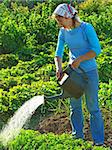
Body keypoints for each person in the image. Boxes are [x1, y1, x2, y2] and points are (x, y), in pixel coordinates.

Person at [52, 3, 104, 146]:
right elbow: (58, 53)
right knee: (74, 106)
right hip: (73, 74)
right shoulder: (63, 32)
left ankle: (99, 142)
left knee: (93, 107)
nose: (60, 23)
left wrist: (80, 59)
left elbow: (96, 50)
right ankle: (77, 138)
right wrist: (59, 68)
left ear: (69, 17)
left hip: (89, 73)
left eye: (61, 19)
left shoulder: (86, 28)